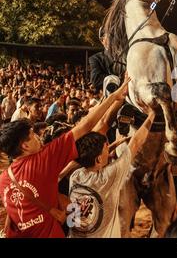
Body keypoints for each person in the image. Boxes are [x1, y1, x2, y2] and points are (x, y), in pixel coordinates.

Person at [0, 78, 131, 238]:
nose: (37, 137)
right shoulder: (43, 161)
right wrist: (114, 97)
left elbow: (13, 217)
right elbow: (87, 126)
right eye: (32, 135)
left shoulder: (4, 179)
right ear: (24, 146)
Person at [68, 108, 155, 238]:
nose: (108, 151)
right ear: (98, 159)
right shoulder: (109, 177)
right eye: (105, 148)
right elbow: (136, 142)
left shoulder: (75, 176)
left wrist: (116, 143)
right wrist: (153, 114)